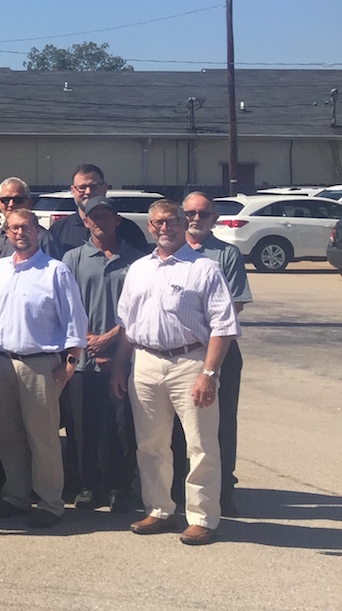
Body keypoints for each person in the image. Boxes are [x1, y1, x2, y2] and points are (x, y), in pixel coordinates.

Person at [112, 199, 240, 546]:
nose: (164, 228)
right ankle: (159, 509)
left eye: (170, 221)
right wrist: (119, 369)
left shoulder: (205, 269)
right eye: (157, 223)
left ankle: (202, 517)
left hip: (190, 363)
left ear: (184, 222)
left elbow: (223, 327)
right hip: (146, 363)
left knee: (201, 444)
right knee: (150, 444)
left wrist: (209, 374)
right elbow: (127, 324)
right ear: (149, 228)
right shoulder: (138, 268)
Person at [0, 208, 86, 529]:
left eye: (25, 227)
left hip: (40, 366)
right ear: (6, 233)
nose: (19, 233)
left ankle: (50, 503)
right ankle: (16, 496)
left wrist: (68, 367)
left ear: (37, 231)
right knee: (9, 436)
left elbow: (75, 323)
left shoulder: (55, 271)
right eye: (13, 228)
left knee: (43, 438)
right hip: (0, 362)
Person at [59, 196, 144, 512]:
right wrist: (88, 340)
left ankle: (120, 488)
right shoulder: (73, 259)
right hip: (82, 360)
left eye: (105, 215)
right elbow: (64, 307)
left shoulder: (137, 260)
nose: (99, 221)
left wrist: (109, 339)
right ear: (84, 221)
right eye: (93, 216)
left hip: (124, 355)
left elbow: (140, 311)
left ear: (117, 220)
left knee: (123, 427)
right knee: (84, 426)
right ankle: (88, 486)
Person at [179, 191, 251, 517]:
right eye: (190, 213)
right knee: (179, 425)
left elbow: (233, 307)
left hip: (218, 353)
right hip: (178, 355)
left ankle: (224, 490)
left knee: (220, 424)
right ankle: (180, 488)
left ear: (215, 219)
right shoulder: (168, 253)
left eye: (203, 214)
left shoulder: (227, 255)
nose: (196, 219)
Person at [46, 163, 150, 253]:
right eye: (82, 187)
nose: (88, 192)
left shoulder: (129, 230)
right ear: (73, 190)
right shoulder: (58, 230)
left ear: (105, 187)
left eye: (94, 186)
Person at [0, 178, 61, 261]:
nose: (11, 204)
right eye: (5, 200)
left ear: (29, 202)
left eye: (18, 200)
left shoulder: (43, 238)